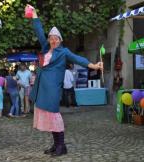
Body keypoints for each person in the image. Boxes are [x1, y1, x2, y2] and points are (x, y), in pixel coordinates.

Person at [27, 5, 103, 156]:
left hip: (53, 88)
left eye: (56, 38)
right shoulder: (45, 47)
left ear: (60, 40)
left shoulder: (64, 52)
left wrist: (93, 65)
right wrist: (34, 14)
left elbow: (78, 59)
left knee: (54, 115)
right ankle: (56, 145)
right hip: (42, 88)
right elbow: (38, 30)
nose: (53, 40)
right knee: (48, 118)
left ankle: (61, 146)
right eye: (51, 38)